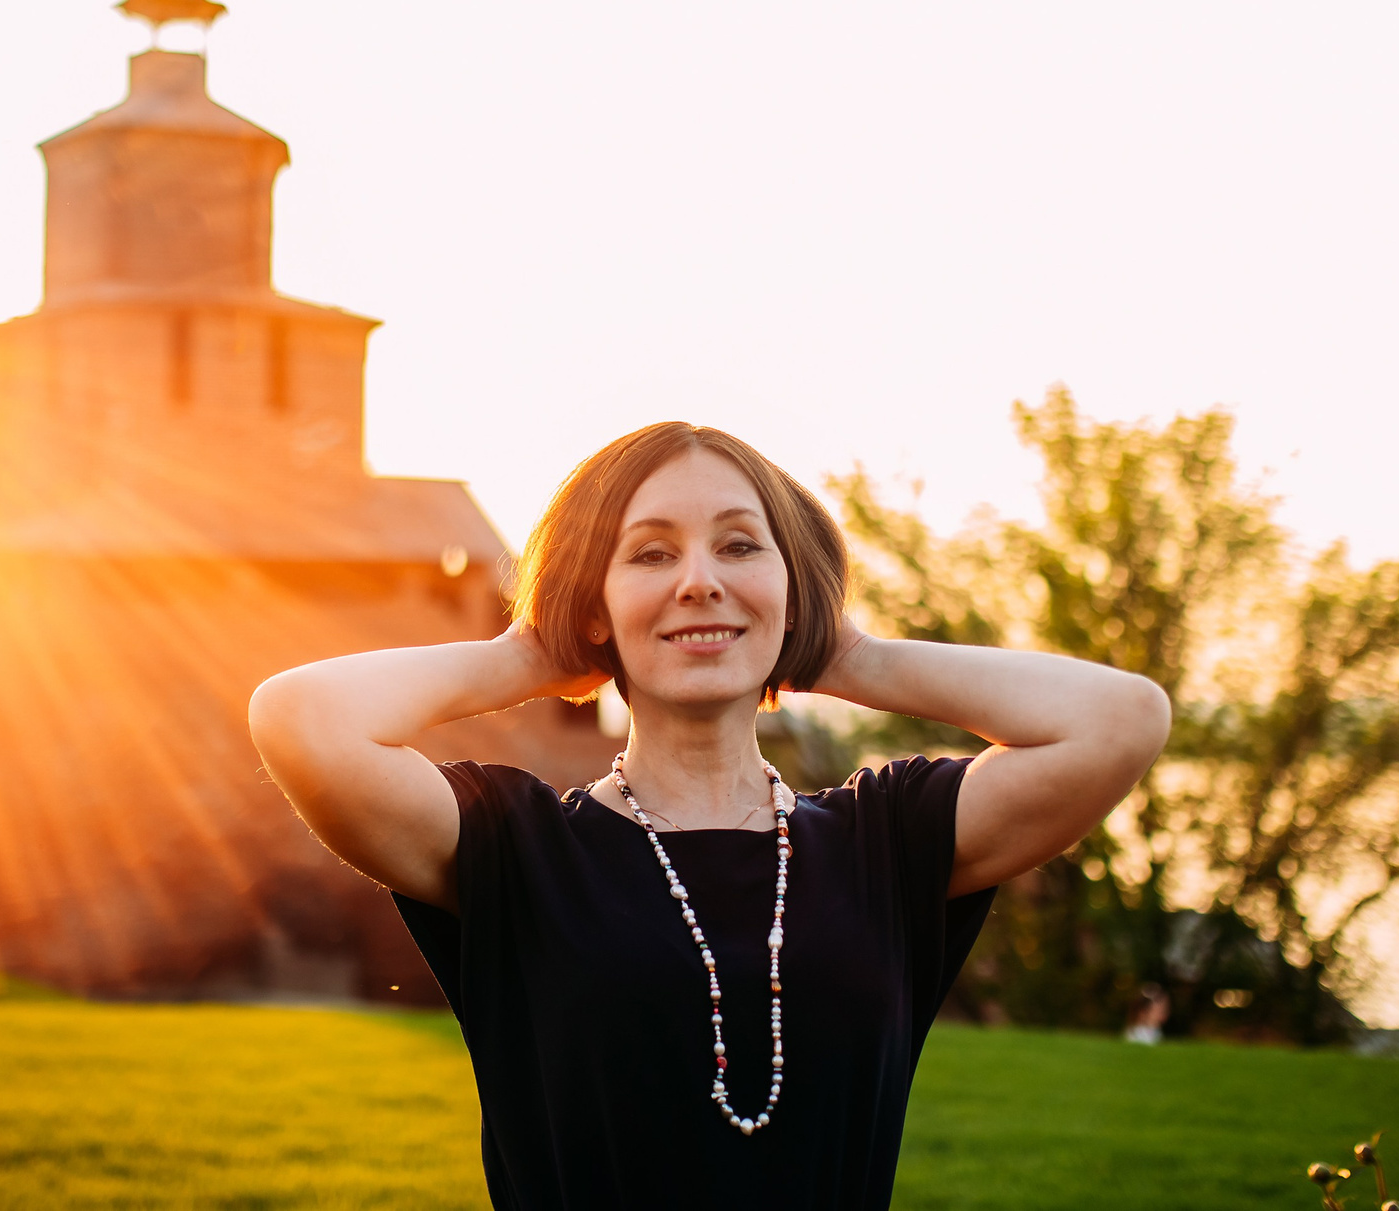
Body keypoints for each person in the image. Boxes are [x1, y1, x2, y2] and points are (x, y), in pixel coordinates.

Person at [249, 422, 1170, 1210]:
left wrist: (851, 655)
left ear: (790, 582)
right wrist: (532, 651)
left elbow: (1121, 719)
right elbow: (301, 718)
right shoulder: (516, 848)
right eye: (649, 554)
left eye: (739, 546)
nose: (698, 580)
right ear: (595, 600)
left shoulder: (887, 841)